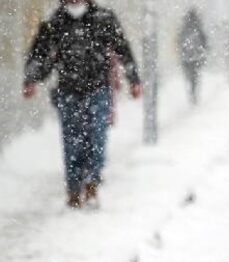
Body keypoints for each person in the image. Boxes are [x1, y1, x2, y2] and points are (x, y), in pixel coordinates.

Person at [23, 0, 141, 209]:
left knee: (96, 138)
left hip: (98, 89)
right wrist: (31, 79)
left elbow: (123, 49)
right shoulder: (54, 22)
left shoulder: (103, 18)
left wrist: (134, 79)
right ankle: (74, 187)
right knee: (72, 142)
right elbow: (40, 55)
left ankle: (92, 183)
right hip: (68, 91)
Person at [178, 8, 208, 105]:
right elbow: (204, 41)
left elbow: (180, 41)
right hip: (196, 56)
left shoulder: (185, 27)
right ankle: (193, 92)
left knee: (190, 76)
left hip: (186, 57)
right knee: (195, 76)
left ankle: (192, 92)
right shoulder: (198, 26)